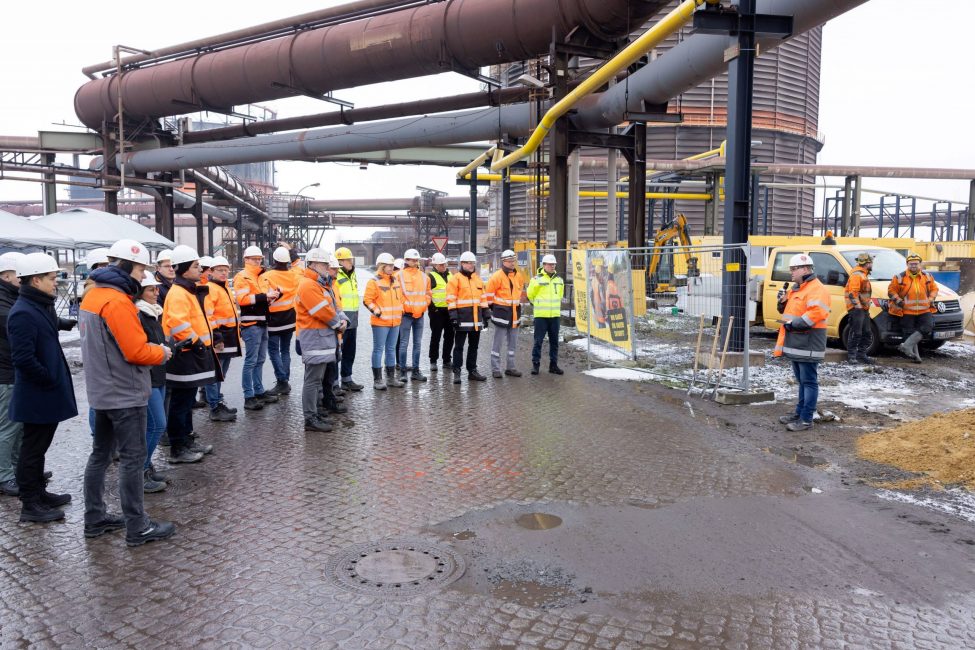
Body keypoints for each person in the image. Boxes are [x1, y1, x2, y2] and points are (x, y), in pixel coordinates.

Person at [80, 240, 176, 546]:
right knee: (133, 460)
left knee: (100, 455)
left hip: (101, 389)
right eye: (140, 269)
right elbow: (135, 351)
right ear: (127, 267)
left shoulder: (92, 296)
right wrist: (160, 352)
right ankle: (138, 526)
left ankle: (94, 518)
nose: (142, 276)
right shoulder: (118, 301)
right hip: (124, 391)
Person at [8, 253, 77, 522]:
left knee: (39, 448)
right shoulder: (23, 312)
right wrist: (48, 378)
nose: (55, 283)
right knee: (32, 449)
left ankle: (39, 493)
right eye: (51, 278)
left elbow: (44, 327)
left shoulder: (38, 305)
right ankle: (30, 504)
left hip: (45, 390)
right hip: (37, 393)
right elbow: (23, 359)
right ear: (35, 280)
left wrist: (63, 323)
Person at [162, 245, 217, 463]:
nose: (199, 269)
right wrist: (196, 343)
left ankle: (187, 440)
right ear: (185, 270)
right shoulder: (179, 293)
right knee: (180, 403)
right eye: (196, 266)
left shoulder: (186, 290)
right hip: (185, 354)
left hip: (190, 352)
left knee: (186, 401)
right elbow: (178, 323)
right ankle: (178, 447)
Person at [775, 253, 830, 432]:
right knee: (802, 380)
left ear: (805, 269)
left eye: (794, 269)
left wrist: (794, 325)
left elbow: (817, 313)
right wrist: (781, 301)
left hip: (809, 341)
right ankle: (800, 413)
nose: (791, 272)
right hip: (798, 340)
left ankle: (806, 419)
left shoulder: (817, 288)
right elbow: (787, 309)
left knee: (809, 381)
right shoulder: (797, 288)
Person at [296, 249, 347, 432]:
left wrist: (342, 319)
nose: (327, 268)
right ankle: (310, 418)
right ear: (314, 265)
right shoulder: (309, 285)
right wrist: (338, 324)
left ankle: (314, 413)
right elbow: (322, 311)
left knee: (317, 379)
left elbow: (333, 306)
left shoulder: (319, 284)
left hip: (323, 339)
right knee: (312, 380)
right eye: (325, 265)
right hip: (315, 339)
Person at [134, 271, 169, 493]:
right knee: (157, 424)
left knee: (152, 425)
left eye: (157, 289)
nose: (156, 293)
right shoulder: (139, 315)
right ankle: (140, 470)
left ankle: (145, 466)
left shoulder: (153, 313)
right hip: (148, 376)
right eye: (151, 289)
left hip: (158, 373)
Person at [234, 246, 281, 410]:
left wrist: (273, 296)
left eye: (259, 258)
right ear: (246, 260)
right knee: (251, 361)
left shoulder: (261, 277)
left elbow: (263, 298)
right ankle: (249, 396)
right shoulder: (242, 277)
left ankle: (258, 391)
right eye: (254, 259)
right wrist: (265, 296)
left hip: (262, 322)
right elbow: (242, 300)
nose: (257, 261)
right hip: (251, 324)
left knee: (260, 360)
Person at [0, 252, 26, 497]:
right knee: (8, 426)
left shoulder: (10, 298)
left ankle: (16, 469)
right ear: (7, 276)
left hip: (10, 370)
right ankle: (4, 475)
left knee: (17, 425)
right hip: (5, 373)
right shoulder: (4, 303)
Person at [203, 256, 241, 421]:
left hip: (229, 337)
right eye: (220, 270)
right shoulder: (211, 288)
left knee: (221, 374)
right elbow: (209, 316)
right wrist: (217, 338)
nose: (224, 273)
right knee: (215, 374)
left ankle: (217, 401)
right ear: (211, 272)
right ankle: (214, 406)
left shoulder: (223, 287)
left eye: (226, 270)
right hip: (220, 338)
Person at [447, 251, 489, 384]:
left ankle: (472, 371)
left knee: (474, 346)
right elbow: (450, 299)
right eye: (468, 263)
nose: (471, 265)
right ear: (462, 264)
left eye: (472, 263)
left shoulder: (477, 279)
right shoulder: (455, 279)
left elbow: (483, 298)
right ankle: (457, 372)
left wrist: (486, 314)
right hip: (461, 319)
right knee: (459, 346)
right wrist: (453, 317)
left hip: (476, 320)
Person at [363, 253, 404, 390]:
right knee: (379, 349)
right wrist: (377, 312)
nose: (392, 268)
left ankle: (391, 379)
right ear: (382, 266)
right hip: (381, 322)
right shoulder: (373, 282)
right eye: (389, 265)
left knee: (391, 349)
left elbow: (400, 299)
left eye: (393, 265)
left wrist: (401, 310)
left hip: (395, 322)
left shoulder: (395, 281)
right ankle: (378, 380)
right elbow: (367, 300)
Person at [888, 253, 938, 364]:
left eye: (916, 264)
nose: (913, 266)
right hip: (906, 311)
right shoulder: (899, 277)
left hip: (924, 310)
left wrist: (931, 298)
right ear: (907, 264)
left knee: (928, 327)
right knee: (909, 333)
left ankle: (906, 346)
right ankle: (915, 356)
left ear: (920, 264)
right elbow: (891, 291)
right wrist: (899, 302)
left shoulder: (927, 277)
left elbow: (934, 289)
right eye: (911, 264)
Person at [265, 246, 300, 396]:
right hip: (289, 317)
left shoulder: (269, 275)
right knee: (285, 350)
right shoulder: (294, 275)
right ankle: (284, 380)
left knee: (273, 350)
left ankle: (282, 381)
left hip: (274, 318)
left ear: (274, 260)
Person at [485, 249, 525, 378]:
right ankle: (496, 369)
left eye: (513, 260)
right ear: (503, 261)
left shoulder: (518, 276)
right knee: (498, 343)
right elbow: (489, 297)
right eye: (509, 261)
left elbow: (519, 294)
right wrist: (494, 309)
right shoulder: (496, 276)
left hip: (514, 315)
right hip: (501, 315)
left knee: (512, 344)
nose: (512, 263)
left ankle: (511, 367)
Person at [395, 248, 431, 383]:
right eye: (412, 260)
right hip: (406, 315)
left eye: (416, 260)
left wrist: (423, 305)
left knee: (417, 344)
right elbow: (398, 295)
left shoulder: (424, 277)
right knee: (403, 343)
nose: (415, 262)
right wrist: (405, 307)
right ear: (406, 260)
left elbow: (428, 294)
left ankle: (416, 371)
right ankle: (403, 371)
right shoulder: (399, 276)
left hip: (420, 315)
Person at [527, 254, 565, 375]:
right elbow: (530, 295)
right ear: (543, 265)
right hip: (541, 316)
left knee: (554, 342)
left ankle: (553, 365)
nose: (552, 266)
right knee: (538, 341)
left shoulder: (559, 280)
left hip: (554, 316)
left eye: (553, 264)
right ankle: (536, 365)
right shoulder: (536, 279)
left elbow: (560, 295)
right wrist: (538, 305)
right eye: (549, 264)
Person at [334, 247, 363, 391]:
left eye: (351, 259)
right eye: (348, 260)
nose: (351, 262)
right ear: (340, 261)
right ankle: (333, 384)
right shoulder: (336, 276)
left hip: (353, 320)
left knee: (350, 351)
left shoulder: (352, 274)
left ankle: (347, 379)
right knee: (336, 353)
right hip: (341, 319)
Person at [844, 252, 875, 364]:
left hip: (862, 308)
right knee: (856, 332)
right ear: (867, 263)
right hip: (857, 308)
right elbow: (853, 293)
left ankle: (861, 355)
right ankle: (852, 356)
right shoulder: (858, 275)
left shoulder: (862, 274)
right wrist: (858, 308)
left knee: (866, 333)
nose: (872, 264)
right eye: (871, 262)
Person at [427, 252, 454, 372]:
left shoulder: (450, 275)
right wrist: (434, 309)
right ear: (435, 265)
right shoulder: (430, 276)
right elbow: (427, 294)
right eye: (440, 264)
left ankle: (447, 360)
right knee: (436, 337)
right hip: (436, 312)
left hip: (449, 310)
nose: (443, 266)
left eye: (444, 264)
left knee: (449, 336)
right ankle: (433, 361)